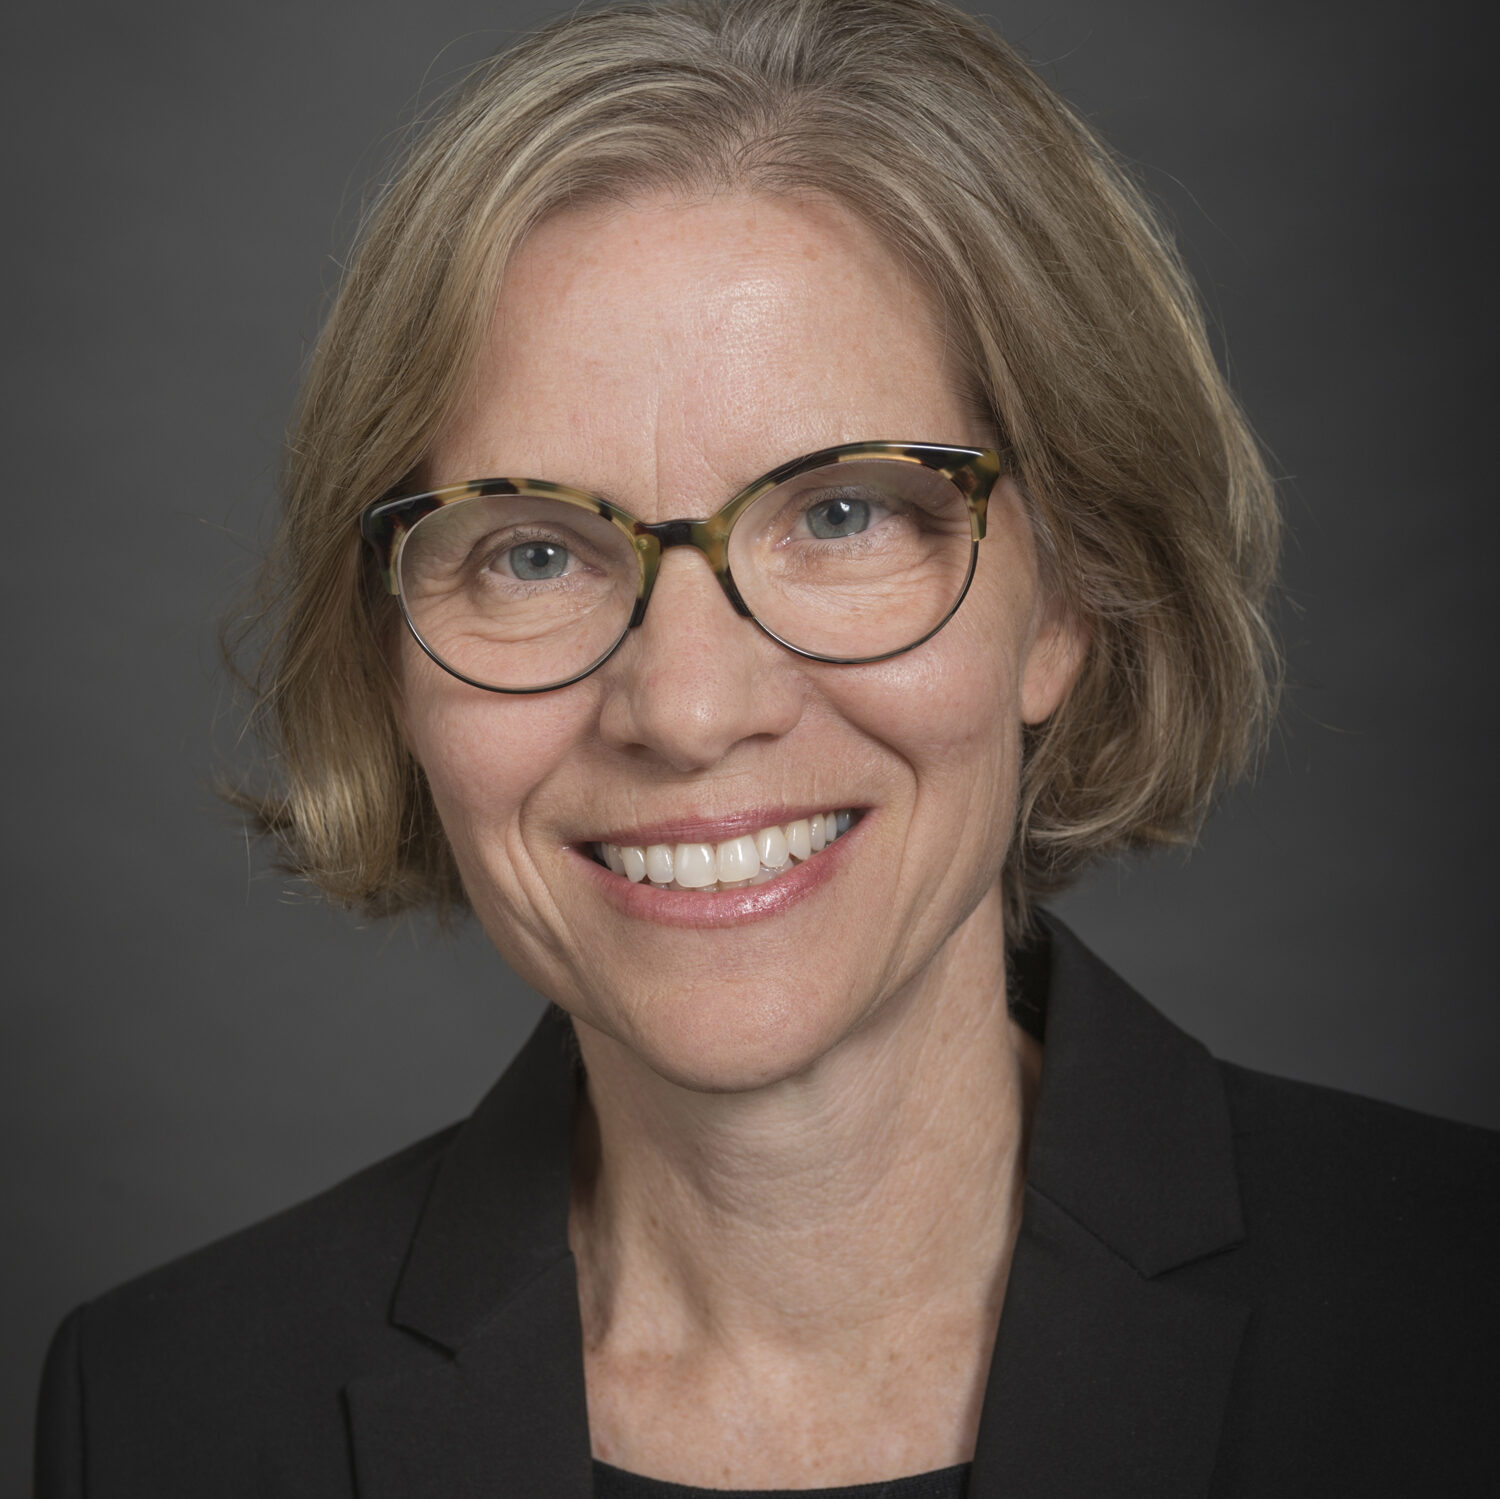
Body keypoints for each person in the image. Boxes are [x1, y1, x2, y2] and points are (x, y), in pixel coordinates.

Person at [34, 0, 1496, 1494]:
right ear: (396, 650)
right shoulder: (170, 1411)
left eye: (843, 515)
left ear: (1070, 601)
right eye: (536, 554)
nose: (685, 708)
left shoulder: (1457, 1318)